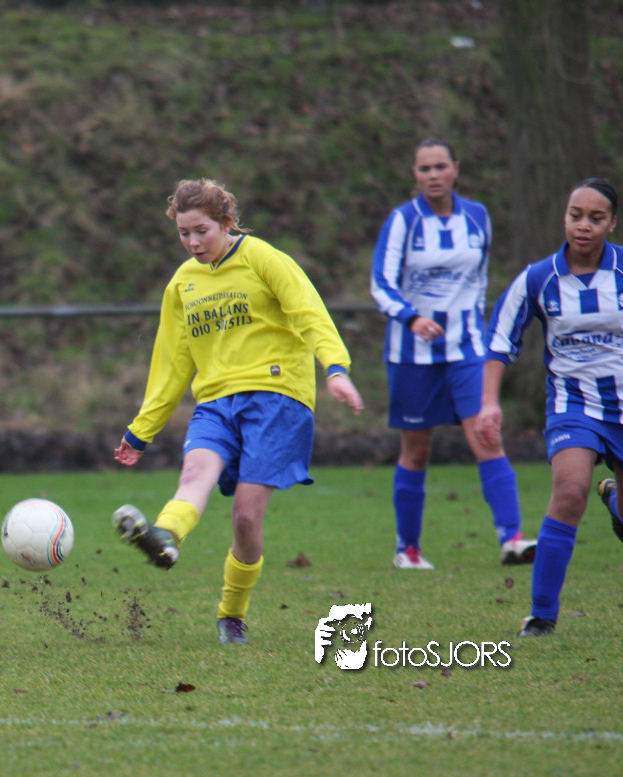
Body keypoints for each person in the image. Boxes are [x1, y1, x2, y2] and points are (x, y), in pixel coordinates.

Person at [112, 178, 364, 646]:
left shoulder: (264, 259)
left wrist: (335, 368)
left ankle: (231, 614)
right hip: (215, 403)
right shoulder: (183, 283)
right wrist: (141, 431)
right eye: (183, 233)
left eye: (201, 231)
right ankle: (164, 537)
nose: (192, 242)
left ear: (227, 222)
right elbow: (171, 363)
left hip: (276, 398)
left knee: (246, 518)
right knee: (195, 474)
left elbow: (310, 314)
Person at [370, 137, 536, 570]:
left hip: (466, 349)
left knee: (487, 435)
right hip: (411, 354)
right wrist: (412, 318)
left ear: (456, 169)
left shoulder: (477, 217)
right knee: (416, 449)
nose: (433, 175)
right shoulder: (403, 220)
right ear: (415, 174)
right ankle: (408, 550)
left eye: (440, 166)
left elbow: (478, 281)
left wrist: (477, 329)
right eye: (424, 168)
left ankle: (512, 538)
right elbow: (381, 285)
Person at [477, 177, 622, 637]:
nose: (583, 226)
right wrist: (488, 404)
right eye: (575, 215)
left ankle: (613, 499)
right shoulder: (540, 278)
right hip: (573, 406)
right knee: (570, 491)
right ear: (564, 218)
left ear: (611, 224)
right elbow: (499, 341)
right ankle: (542, 615)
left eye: (595, 218)